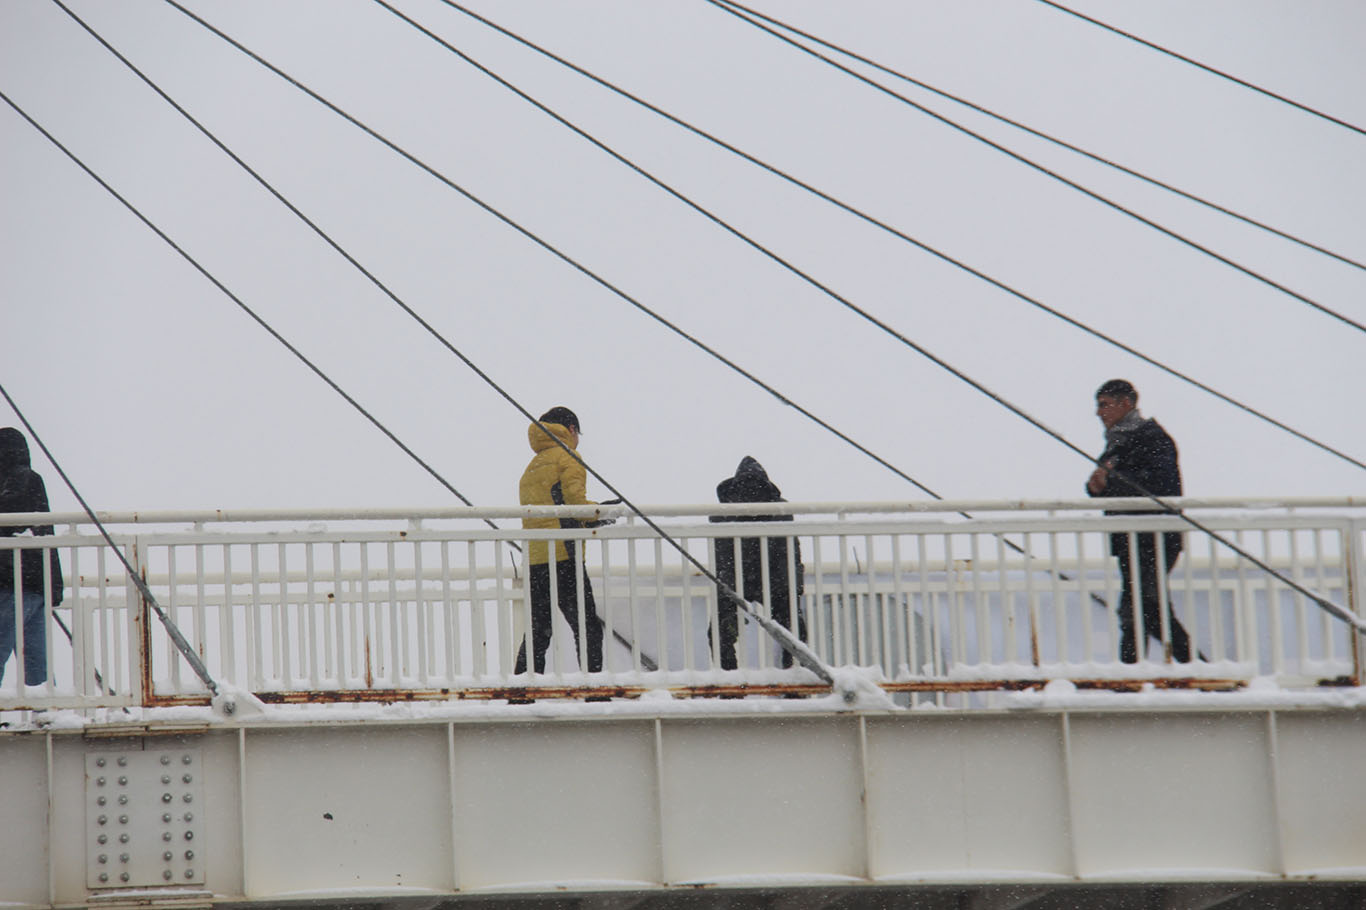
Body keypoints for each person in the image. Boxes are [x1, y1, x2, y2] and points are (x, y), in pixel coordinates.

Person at [1085, 380, 1194, 664]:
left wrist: (1107, 483)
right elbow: (1111, 484)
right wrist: (1097, 486)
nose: (1099, 412)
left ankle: (1139, 672)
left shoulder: (1151, 438)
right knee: (1145, 607)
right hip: (1134, 539)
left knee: (1143, 606)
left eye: (1105, 405)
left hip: (1153, 537)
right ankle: (1187, 667)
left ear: (1126, 404)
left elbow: (1158, 484)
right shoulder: (1119, 441)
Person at [513, 407, 605, 675]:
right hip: (564, 555)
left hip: (536, 558)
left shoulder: (532, 467)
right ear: (572, 430)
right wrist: (599, 514)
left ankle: (523, 690)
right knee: (587, 627)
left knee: (539, 630)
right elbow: (575, 504)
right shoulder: (568, 456)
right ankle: (595, 689)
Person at [709, 456, 806, 670]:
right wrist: (794, 589)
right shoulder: (780, 512)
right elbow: (792, 556)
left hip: (745, 579)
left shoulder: (724, 514)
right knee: (795, 632)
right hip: (774, 581)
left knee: (719, 630)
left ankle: (732, 683)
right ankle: (794, 680)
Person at [0, 427, 61, 686]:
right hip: (36, 581)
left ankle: (46, 708)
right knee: (37, 658)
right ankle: (47, 711)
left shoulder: (15, 480)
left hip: (11, 579)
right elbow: (47, 532)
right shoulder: (32, 479)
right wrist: (54, 585)